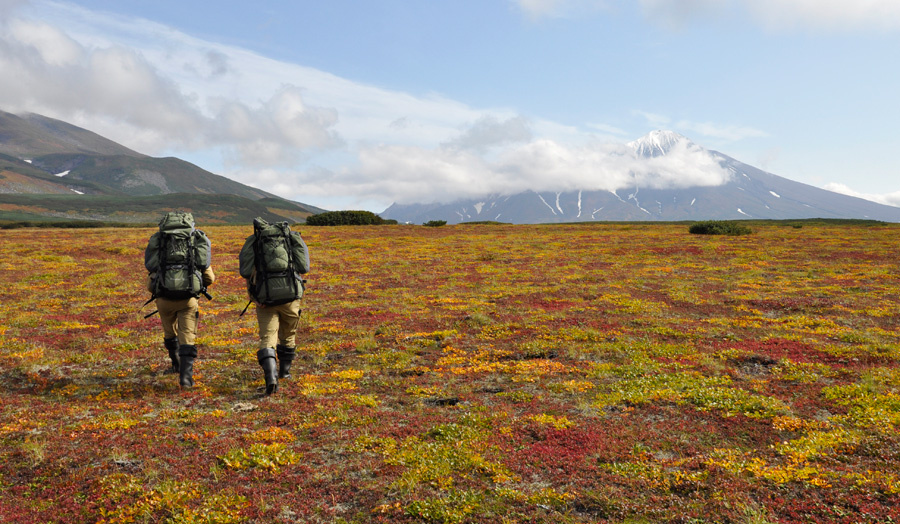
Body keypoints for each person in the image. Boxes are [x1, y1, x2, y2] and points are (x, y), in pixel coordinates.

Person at [144, 212, 215, 388]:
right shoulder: (193, 242)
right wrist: (199, 286)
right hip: (188, 298)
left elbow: (151, 273)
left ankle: (175, 364)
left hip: (163, 299)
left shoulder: (160, 242)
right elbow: (209, 276)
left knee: (170, 333)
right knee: (187, 336)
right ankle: (186, 377)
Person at [239, 217, 309, 395]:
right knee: (288, 335)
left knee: (267, 337)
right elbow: (304, 267)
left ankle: (271, 378)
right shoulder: (290, 238)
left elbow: (246, 272)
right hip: (291, 297)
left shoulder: (255, 241)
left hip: (265, 299)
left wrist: (253, 295)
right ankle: (284, 373)